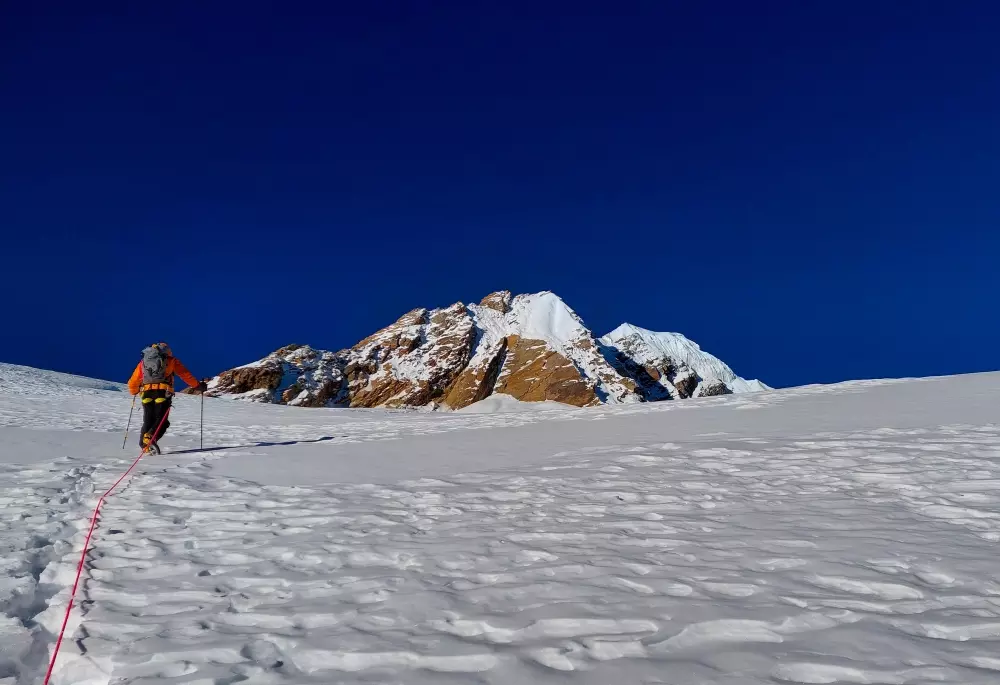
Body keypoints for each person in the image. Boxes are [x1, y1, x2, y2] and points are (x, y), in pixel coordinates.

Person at [127, 342, 207, 453]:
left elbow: (132, 382)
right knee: (162, 420)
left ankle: (144, 444)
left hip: (146, 394)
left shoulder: (143, 363)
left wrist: (134, 391)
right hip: (162, 393)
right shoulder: (171, 360)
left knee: (148, 420)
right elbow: (185, 374)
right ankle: (150, 438)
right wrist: (198, 386)